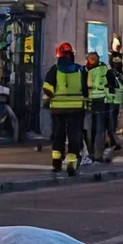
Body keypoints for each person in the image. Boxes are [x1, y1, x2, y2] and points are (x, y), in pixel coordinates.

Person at [42, 42, 88, 175]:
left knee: (58, 134)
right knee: (74, 136)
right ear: (71, 55)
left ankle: (56, 163)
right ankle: (72, 164)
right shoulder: (80, 70)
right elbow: (85, 90)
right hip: (76, 109)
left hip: (58, 109)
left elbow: (47, 88)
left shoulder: (54, 69)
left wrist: (52, 96)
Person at [85, 52, 112, 162]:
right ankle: (98, 154)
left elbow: (87, 86)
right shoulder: (105, 69)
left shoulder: (88, 71)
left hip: (92, 101)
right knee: (100, 129)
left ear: (91, 60)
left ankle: (91, 153)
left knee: (91, 128)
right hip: (103, 101)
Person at [107, 53, 123, 151]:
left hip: (118, 101)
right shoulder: (111, 73)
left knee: (114, 122)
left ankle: (113, 140)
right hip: (113, 101)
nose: (118, 65)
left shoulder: (120, 73)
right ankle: (113, 141)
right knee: (112, 122)